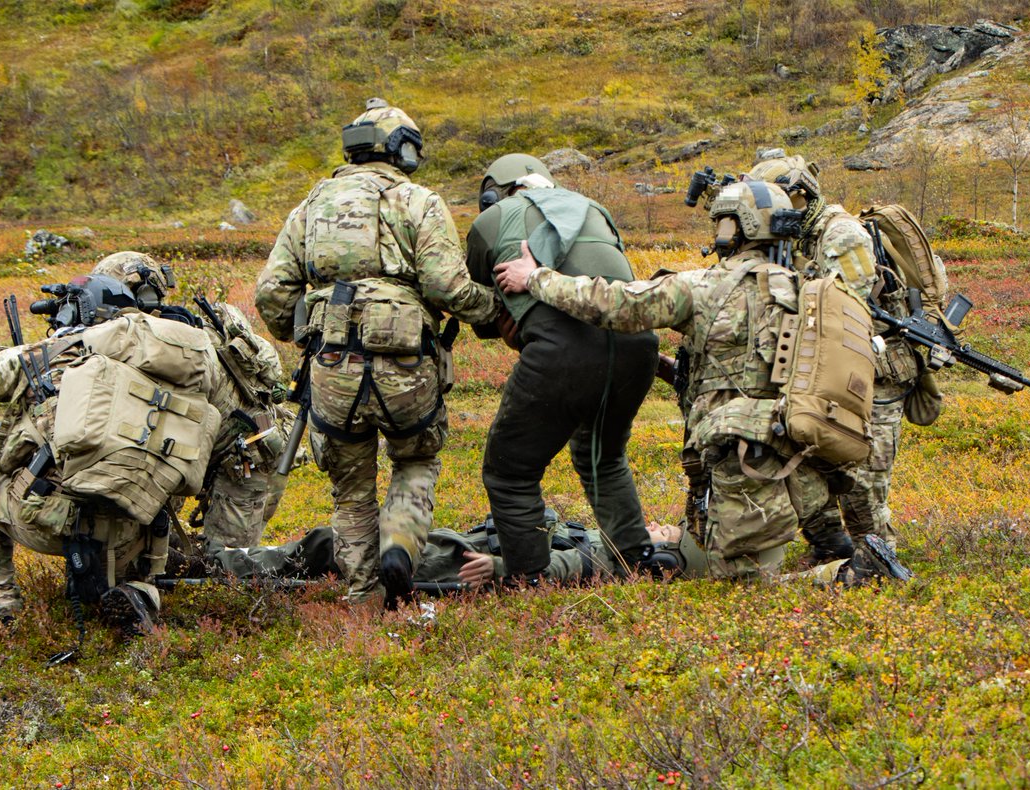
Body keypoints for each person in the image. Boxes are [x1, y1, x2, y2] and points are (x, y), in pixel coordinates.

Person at [496, 180, 858, 581]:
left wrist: (536, 279)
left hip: (743, 460)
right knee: (782, 554)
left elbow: (617, 304)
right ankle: (839, 554)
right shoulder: (802, 290)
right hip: (798, 457)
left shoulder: (708, 286)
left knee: (742, 585)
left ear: (732, 228)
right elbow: (756, 366)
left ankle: (847, 576)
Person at [254, 98, 500, 607]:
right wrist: (492, 310)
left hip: (332, 369)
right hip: (408, 368)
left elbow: (272, 295)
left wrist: (305, 334)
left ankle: (363, 598)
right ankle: (400, 547)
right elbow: (447, 286)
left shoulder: (310, 206)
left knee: (351, 490)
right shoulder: (418, 202)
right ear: (400, 149)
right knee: (416, 458)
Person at [0, 274, 231, 632]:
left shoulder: (41, 356)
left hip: (51, 521)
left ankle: (3, 605)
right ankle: (142, 589)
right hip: (135, 524)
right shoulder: (180, 372)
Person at [464, 153, 660, 583]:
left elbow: (484, 319)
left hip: (563, 350)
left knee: (510, 470)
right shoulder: (596, 210)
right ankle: (637, 561)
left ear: (495, 191)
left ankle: (529, 580)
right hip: (638, 346)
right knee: (603, 457)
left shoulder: (491, 221)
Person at [747, 151, 904, 554]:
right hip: (832, 367)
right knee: (810, 459)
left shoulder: (841, 234)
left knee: (862, 480)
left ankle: (878, 559)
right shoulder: (798, 235)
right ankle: (836, 550)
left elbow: (853, 310)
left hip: (875, 371)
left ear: (799, 195)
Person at [92, 251, 294, 549]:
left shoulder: (176, 343)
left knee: (226, 564)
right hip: (201, 450)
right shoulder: (163, 331)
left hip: (246, 461)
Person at [206, 515, 910, 589]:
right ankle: (227, 567)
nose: (662, 526)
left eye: (671, 534)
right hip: (475, 551)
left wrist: (514, 566)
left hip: (468, 565)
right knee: (326, 554)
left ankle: (217, 566)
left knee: (331, 548)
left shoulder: (637, 559)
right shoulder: (616, 537)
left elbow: (585, 566)